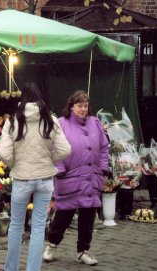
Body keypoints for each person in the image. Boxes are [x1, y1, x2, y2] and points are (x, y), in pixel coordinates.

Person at [0, 82, 71, 271]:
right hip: (45, 179)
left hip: (22, 180)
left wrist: (15, 164)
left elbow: (4, 154)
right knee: (38, 227)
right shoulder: (51, 120)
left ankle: (11, 268)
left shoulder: (12, 121)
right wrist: (49, 160)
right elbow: (65, 149)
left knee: (16, 226)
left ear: (22, 98)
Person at [43, 90, 109, 266]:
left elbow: (103, 147)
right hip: (70, 177)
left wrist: (103, 167)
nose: (83, 109)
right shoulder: (61, 124)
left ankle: (83, 251)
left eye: (85, 105)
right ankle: (52, 245)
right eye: (79, 105)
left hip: (91, 177)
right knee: (64, 214)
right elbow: (52, 148)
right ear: (71, 106)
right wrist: (59, 167)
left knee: (88, 217)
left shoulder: (95, 123)